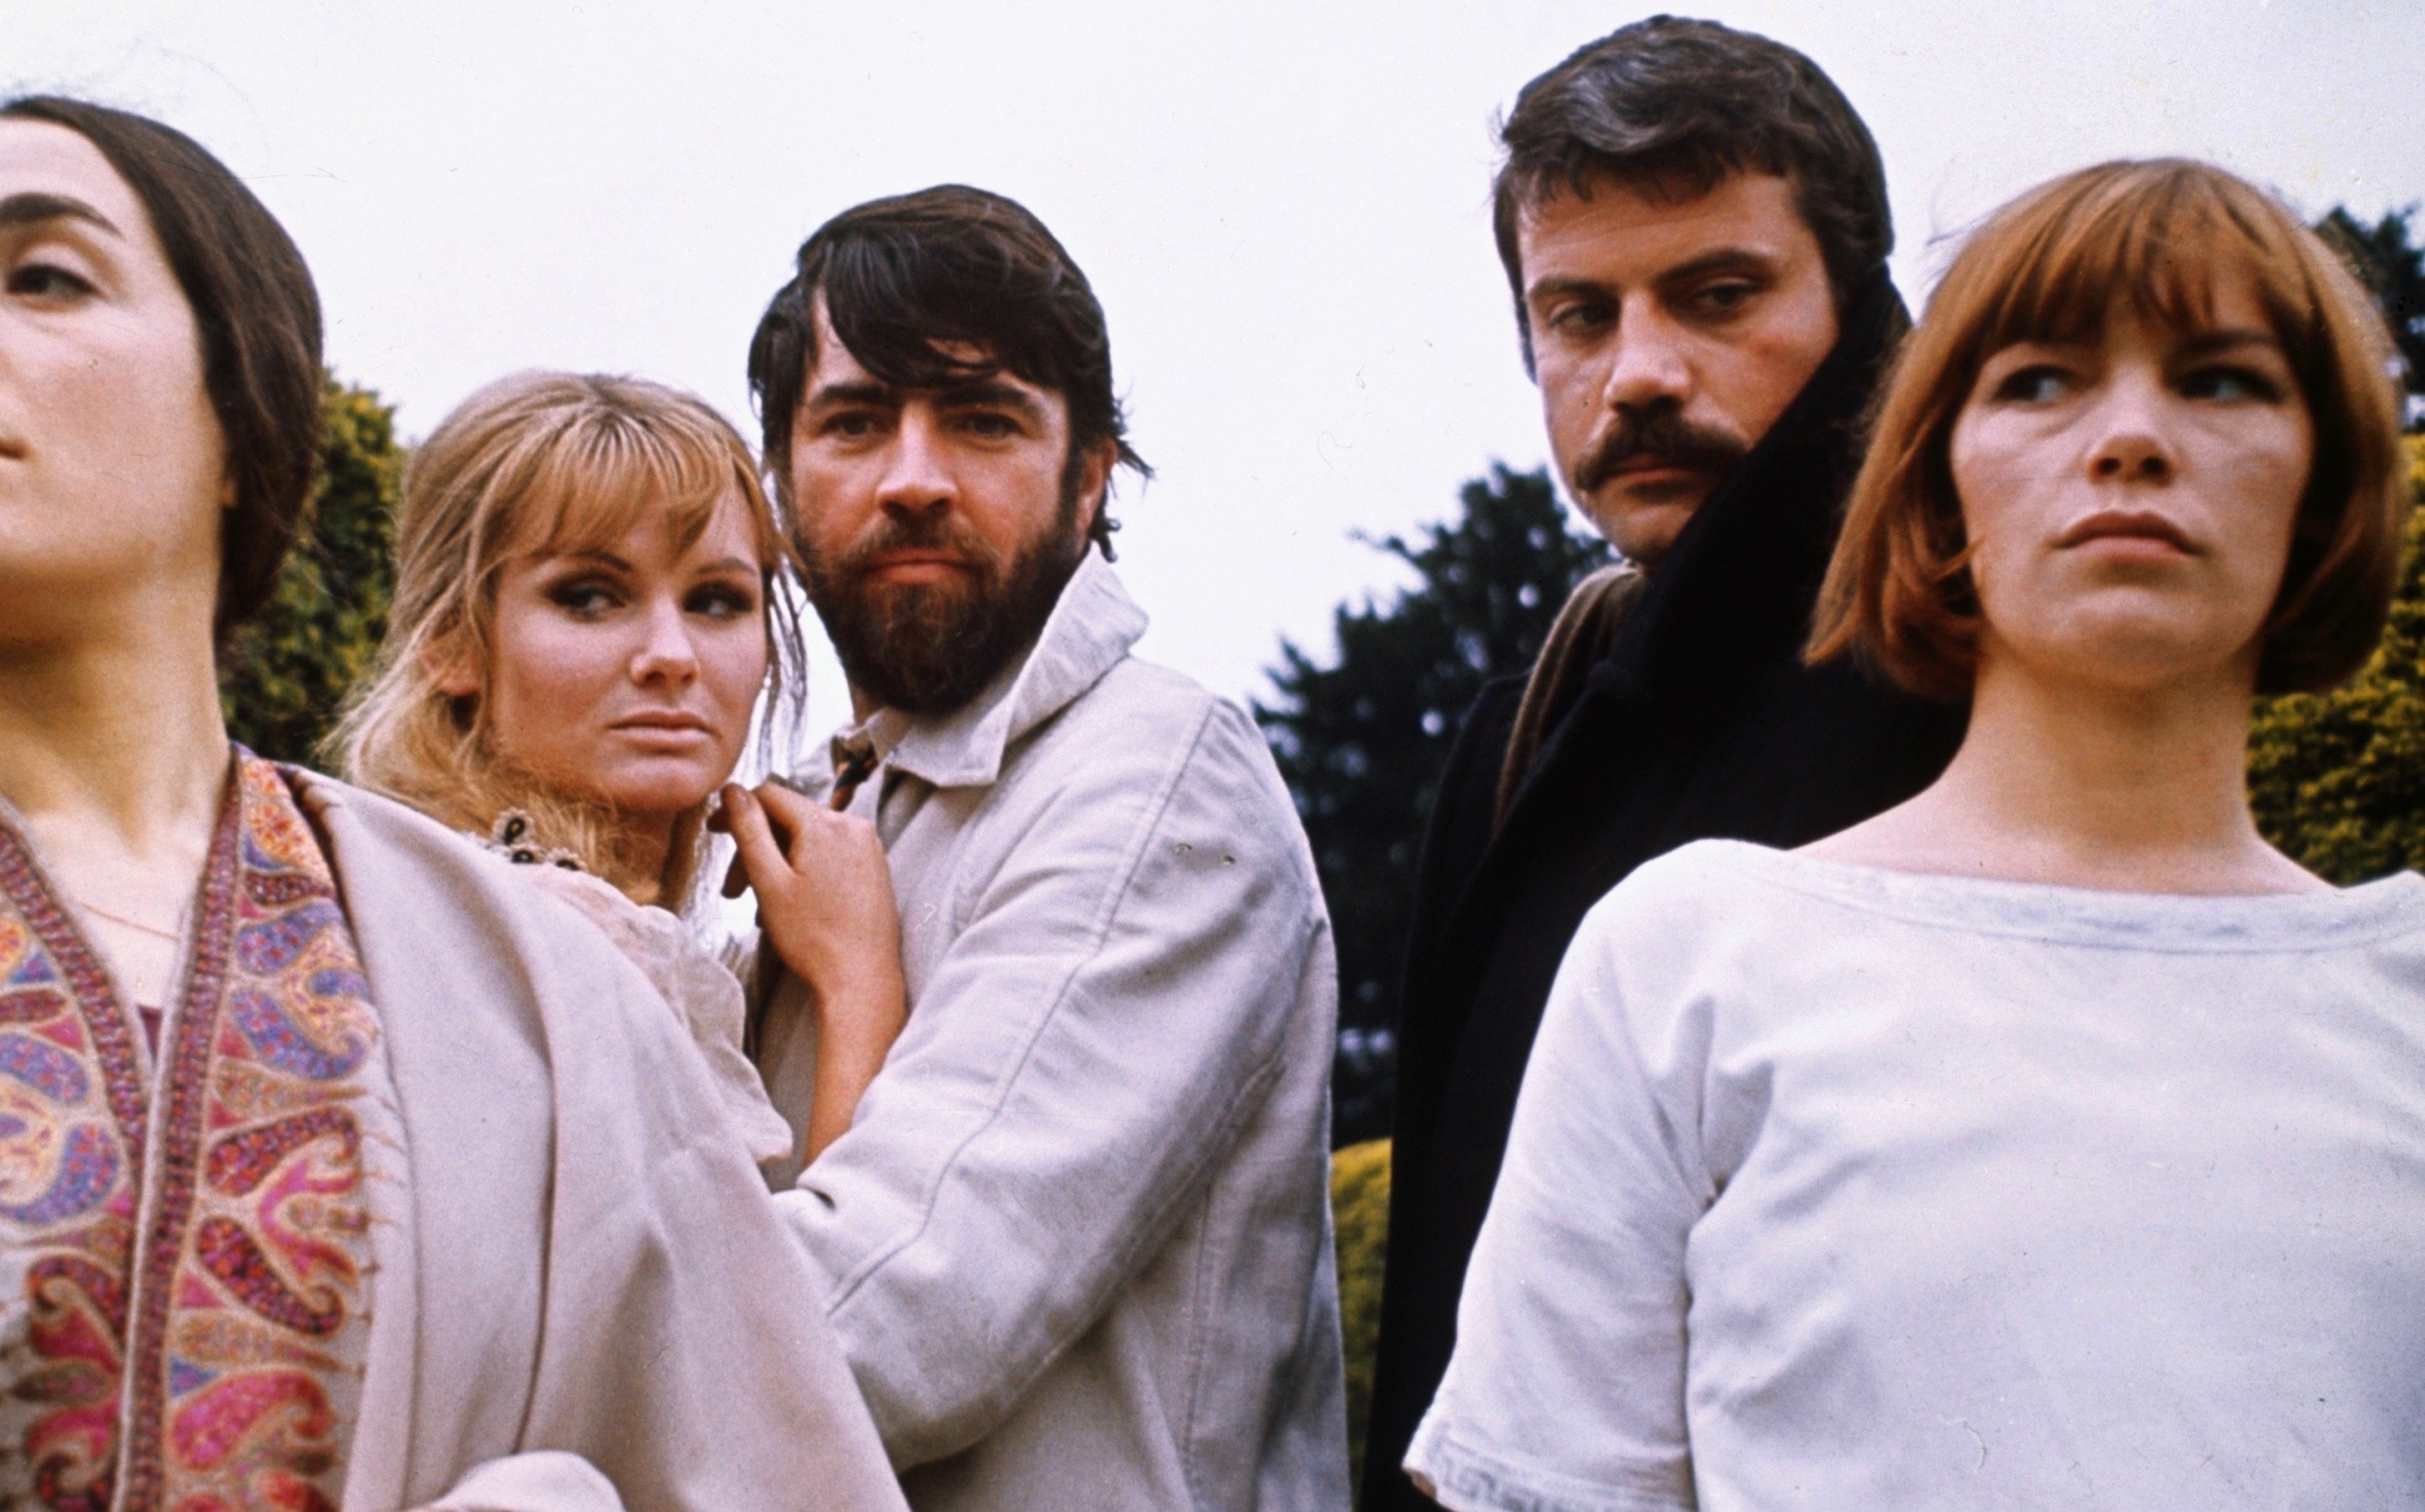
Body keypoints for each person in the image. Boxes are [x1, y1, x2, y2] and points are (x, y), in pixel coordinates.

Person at [0, 98, 904, 1512]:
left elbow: (771, 1439)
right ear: (456, 638)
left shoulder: (529, 991)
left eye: (43, 274)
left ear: (240, 414)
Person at [1409, 158, 2421, 1510]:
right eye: (2040, 381)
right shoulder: (1691, 954)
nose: (2131, 437)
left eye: (2221, 380)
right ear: (1935, 482)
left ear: (2327, 482)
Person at [1363, 21, 1967, 1504]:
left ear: (1859, 307)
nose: (1636, 374)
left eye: (1717, 296)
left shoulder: (1985, 681)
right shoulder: (1526, 731)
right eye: (1577, 316)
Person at [723, 184, 1349, 1508]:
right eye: (853, 423)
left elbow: (894, 1316)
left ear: (1089, 480)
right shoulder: (812, 810)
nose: (912, 478)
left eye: (982, 419)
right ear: (779, 484)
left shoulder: (1153, 775)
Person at [332, 370, 908, 1173]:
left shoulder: (425, 894)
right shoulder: (559, 934)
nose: (671, 655)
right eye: (590, 597)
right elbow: (805, 1261)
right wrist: (859, 983)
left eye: (715, 600)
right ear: (450, 642)